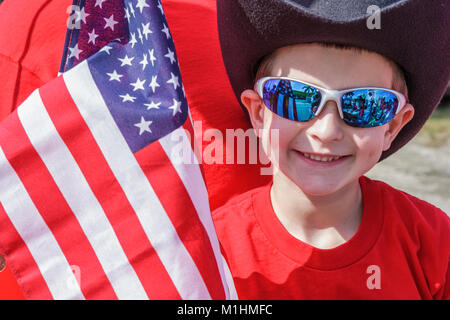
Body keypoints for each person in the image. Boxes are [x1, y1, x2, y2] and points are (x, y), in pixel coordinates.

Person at [213, 0, 450, 299]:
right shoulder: (213, 253)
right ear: (259, 113)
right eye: (296, 98)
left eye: (363, 104)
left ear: (392, 126)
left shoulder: (433, 243)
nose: (326, 132)